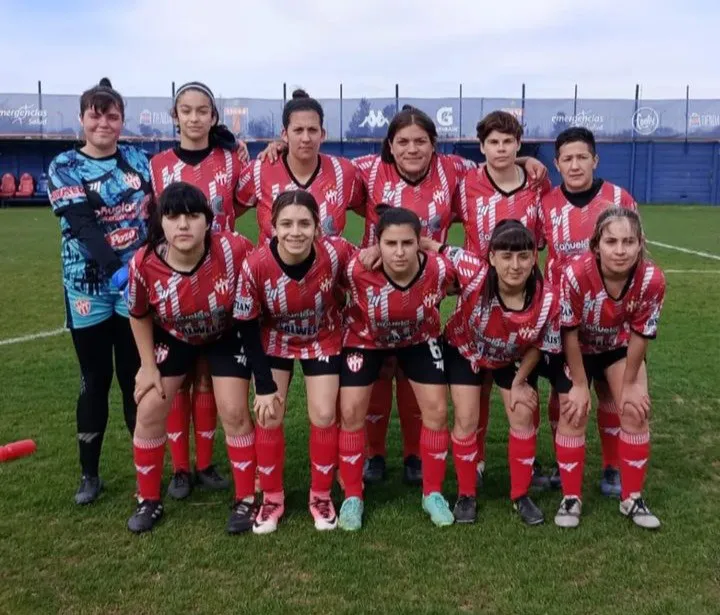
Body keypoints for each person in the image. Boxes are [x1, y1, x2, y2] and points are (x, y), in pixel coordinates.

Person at [260, 105, 549, 486]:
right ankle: (374, 455)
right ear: (390, 146)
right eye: (403, 142)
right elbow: (315, 159)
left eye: (420, 141)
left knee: (417, 367)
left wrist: (525, 158)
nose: (412, 149)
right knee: (379, 371)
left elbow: (496, 163)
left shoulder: (454, 170)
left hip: (429, 283)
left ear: (433, 145)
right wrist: (277, 146)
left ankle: (416, 456)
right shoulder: (365, 169)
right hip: (375, 280)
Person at [124, 181, 276, 534]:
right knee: (148, 409)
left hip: (225, 336)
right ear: (160, 221)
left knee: (235, 411)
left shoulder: (235, 249)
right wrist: (147, 366)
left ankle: (244, 500)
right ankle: (149, 500)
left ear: (208, 221)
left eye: (193, 216)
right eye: (173, 216)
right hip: (175, 337)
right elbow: (138, 313)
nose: (183, 225)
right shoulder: (144, 262)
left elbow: (255, 298)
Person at [47, 78, 152, 505]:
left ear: (122, 121)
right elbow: (82, 224)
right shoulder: (63, 166)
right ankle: (89, 475)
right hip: (87, 287)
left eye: (112, 115)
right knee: (95, 380)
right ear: (82, 119)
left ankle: (143, 470)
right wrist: (114, 269)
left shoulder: (139, 160)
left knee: (135, 380)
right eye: (96, 114)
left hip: (135, 288)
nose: (104, 122)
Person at [233, 189, 356, 534]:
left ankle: (320, 495)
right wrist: (264, 385)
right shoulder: (256, 264)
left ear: (318, 227)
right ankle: (272, 498)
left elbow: (364, 272)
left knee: (324, 414)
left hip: (323, 337)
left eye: (304, 223)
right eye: (286, 223)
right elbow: (245, 323)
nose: (295, 231)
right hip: (274, 341)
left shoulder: (336, 252)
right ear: (272, 227)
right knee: (269, 415)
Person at [148, 81, 249, 500]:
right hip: (173, 279)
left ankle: (206, 464)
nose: (193, 117)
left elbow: (246, 202)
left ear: (213, 116)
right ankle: (181, 469)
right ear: (176, 117)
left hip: (222, 279)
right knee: (179, 379)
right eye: (185, 110)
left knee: (208, 375)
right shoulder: (156, 165)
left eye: (202, 110)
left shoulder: (232, 160)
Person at [425, 220, 560, 525]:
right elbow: (435, 245)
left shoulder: (548, 298)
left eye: (524, 256)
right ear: (491, 257)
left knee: (523, 411)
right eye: (506, 256)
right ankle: (466, 494)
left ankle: (520, 495)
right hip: (464, 349)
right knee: (466, 418)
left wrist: (520, 380)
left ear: (533, 258)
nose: (515, 265)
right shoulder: (473, 271)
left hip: (511, 356)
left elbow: (539, 343)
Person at [336, 207, 457, 531]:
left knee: (437, 411)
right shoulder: (356, 269)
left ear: (420, 242)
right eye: (391, 243)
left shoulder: (439, 269)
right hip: (365, 340)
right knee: (350, 412)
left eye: (407, 243)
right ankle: (352, 496)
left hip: (419, 338)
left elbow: (476, 275)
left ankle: (432, 493)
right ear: (377, 244)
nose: (400, 251)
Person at [454, 110, 552, 491]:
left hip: (523, 292)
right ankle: (474, 461)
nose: (501, 149)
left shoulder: (537, 185)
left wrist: (531, 163)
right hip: (478, 293)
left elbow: (543, 238)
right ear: (481, 147)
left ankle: (529, 461)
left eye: (508, 142)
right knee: (475, 381)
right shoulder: (466, 183)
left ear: (518, 144)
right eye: (493, 142)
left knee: (524, 385)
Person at [537, 127, 638, 495]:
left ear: (595, 160)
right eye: (567, 158)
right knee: (561, 394)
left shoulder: (618, 198)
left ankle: (612, 467)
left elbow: (633, 255)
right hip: (565, 321)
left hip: (611, 317)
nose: (575, 164)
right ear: (557, 163)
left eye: (583, 157)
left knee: (609, 394)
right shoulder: (545, 203)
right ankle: (561, 463)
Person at [554, 207, 665, 529]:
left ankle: (631, 498)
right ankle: (571, 497)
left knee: (634, 409)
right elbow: (569, 332)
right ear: (596, 245)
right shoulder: (575, 274)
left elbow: (641, 335)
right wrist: (577, 383)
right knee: (573, 411)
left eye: (628, 242)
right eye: (611, 241)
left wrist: (629, 384)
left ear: (640, 243)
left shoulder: (652, 279)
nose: (620, 250)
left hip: (619, 348)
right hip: (579, 348)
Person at [236, 89, 365, 244]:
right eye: (298, 130)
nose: (306, 138)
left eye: (312, 130)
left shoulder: (345, 172)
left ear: (322, 134)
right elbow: (228, 211)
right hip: (274, 268)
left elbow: (370, 210)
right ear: (285, 134)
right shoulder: (258, 170)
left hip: (328, 268)